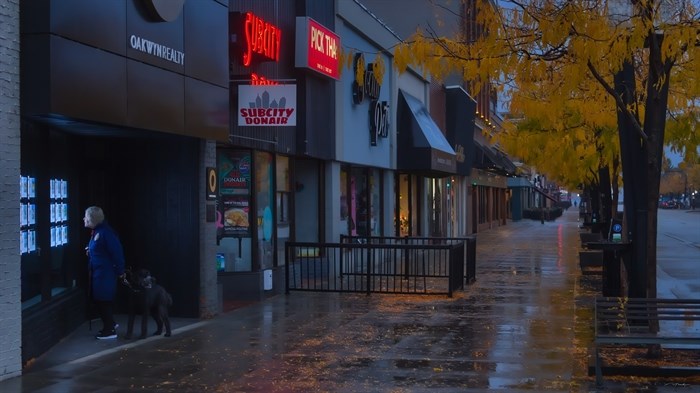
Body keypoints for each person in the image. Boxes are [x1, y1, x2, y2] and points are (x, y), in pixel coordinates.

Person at [84, 206, 125, 340]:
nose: (83, 219)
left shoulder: (105, 233)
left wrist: (120, 271)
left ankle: (109, 330)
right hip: (99, 273)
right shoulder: (97, 231)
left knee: (103, 300)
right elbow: (99, 248)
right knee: (100, 299)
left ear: (92, 219)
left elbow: (117, 253)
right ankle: (111, 323)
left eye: (86, 217)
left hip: (105, 273)